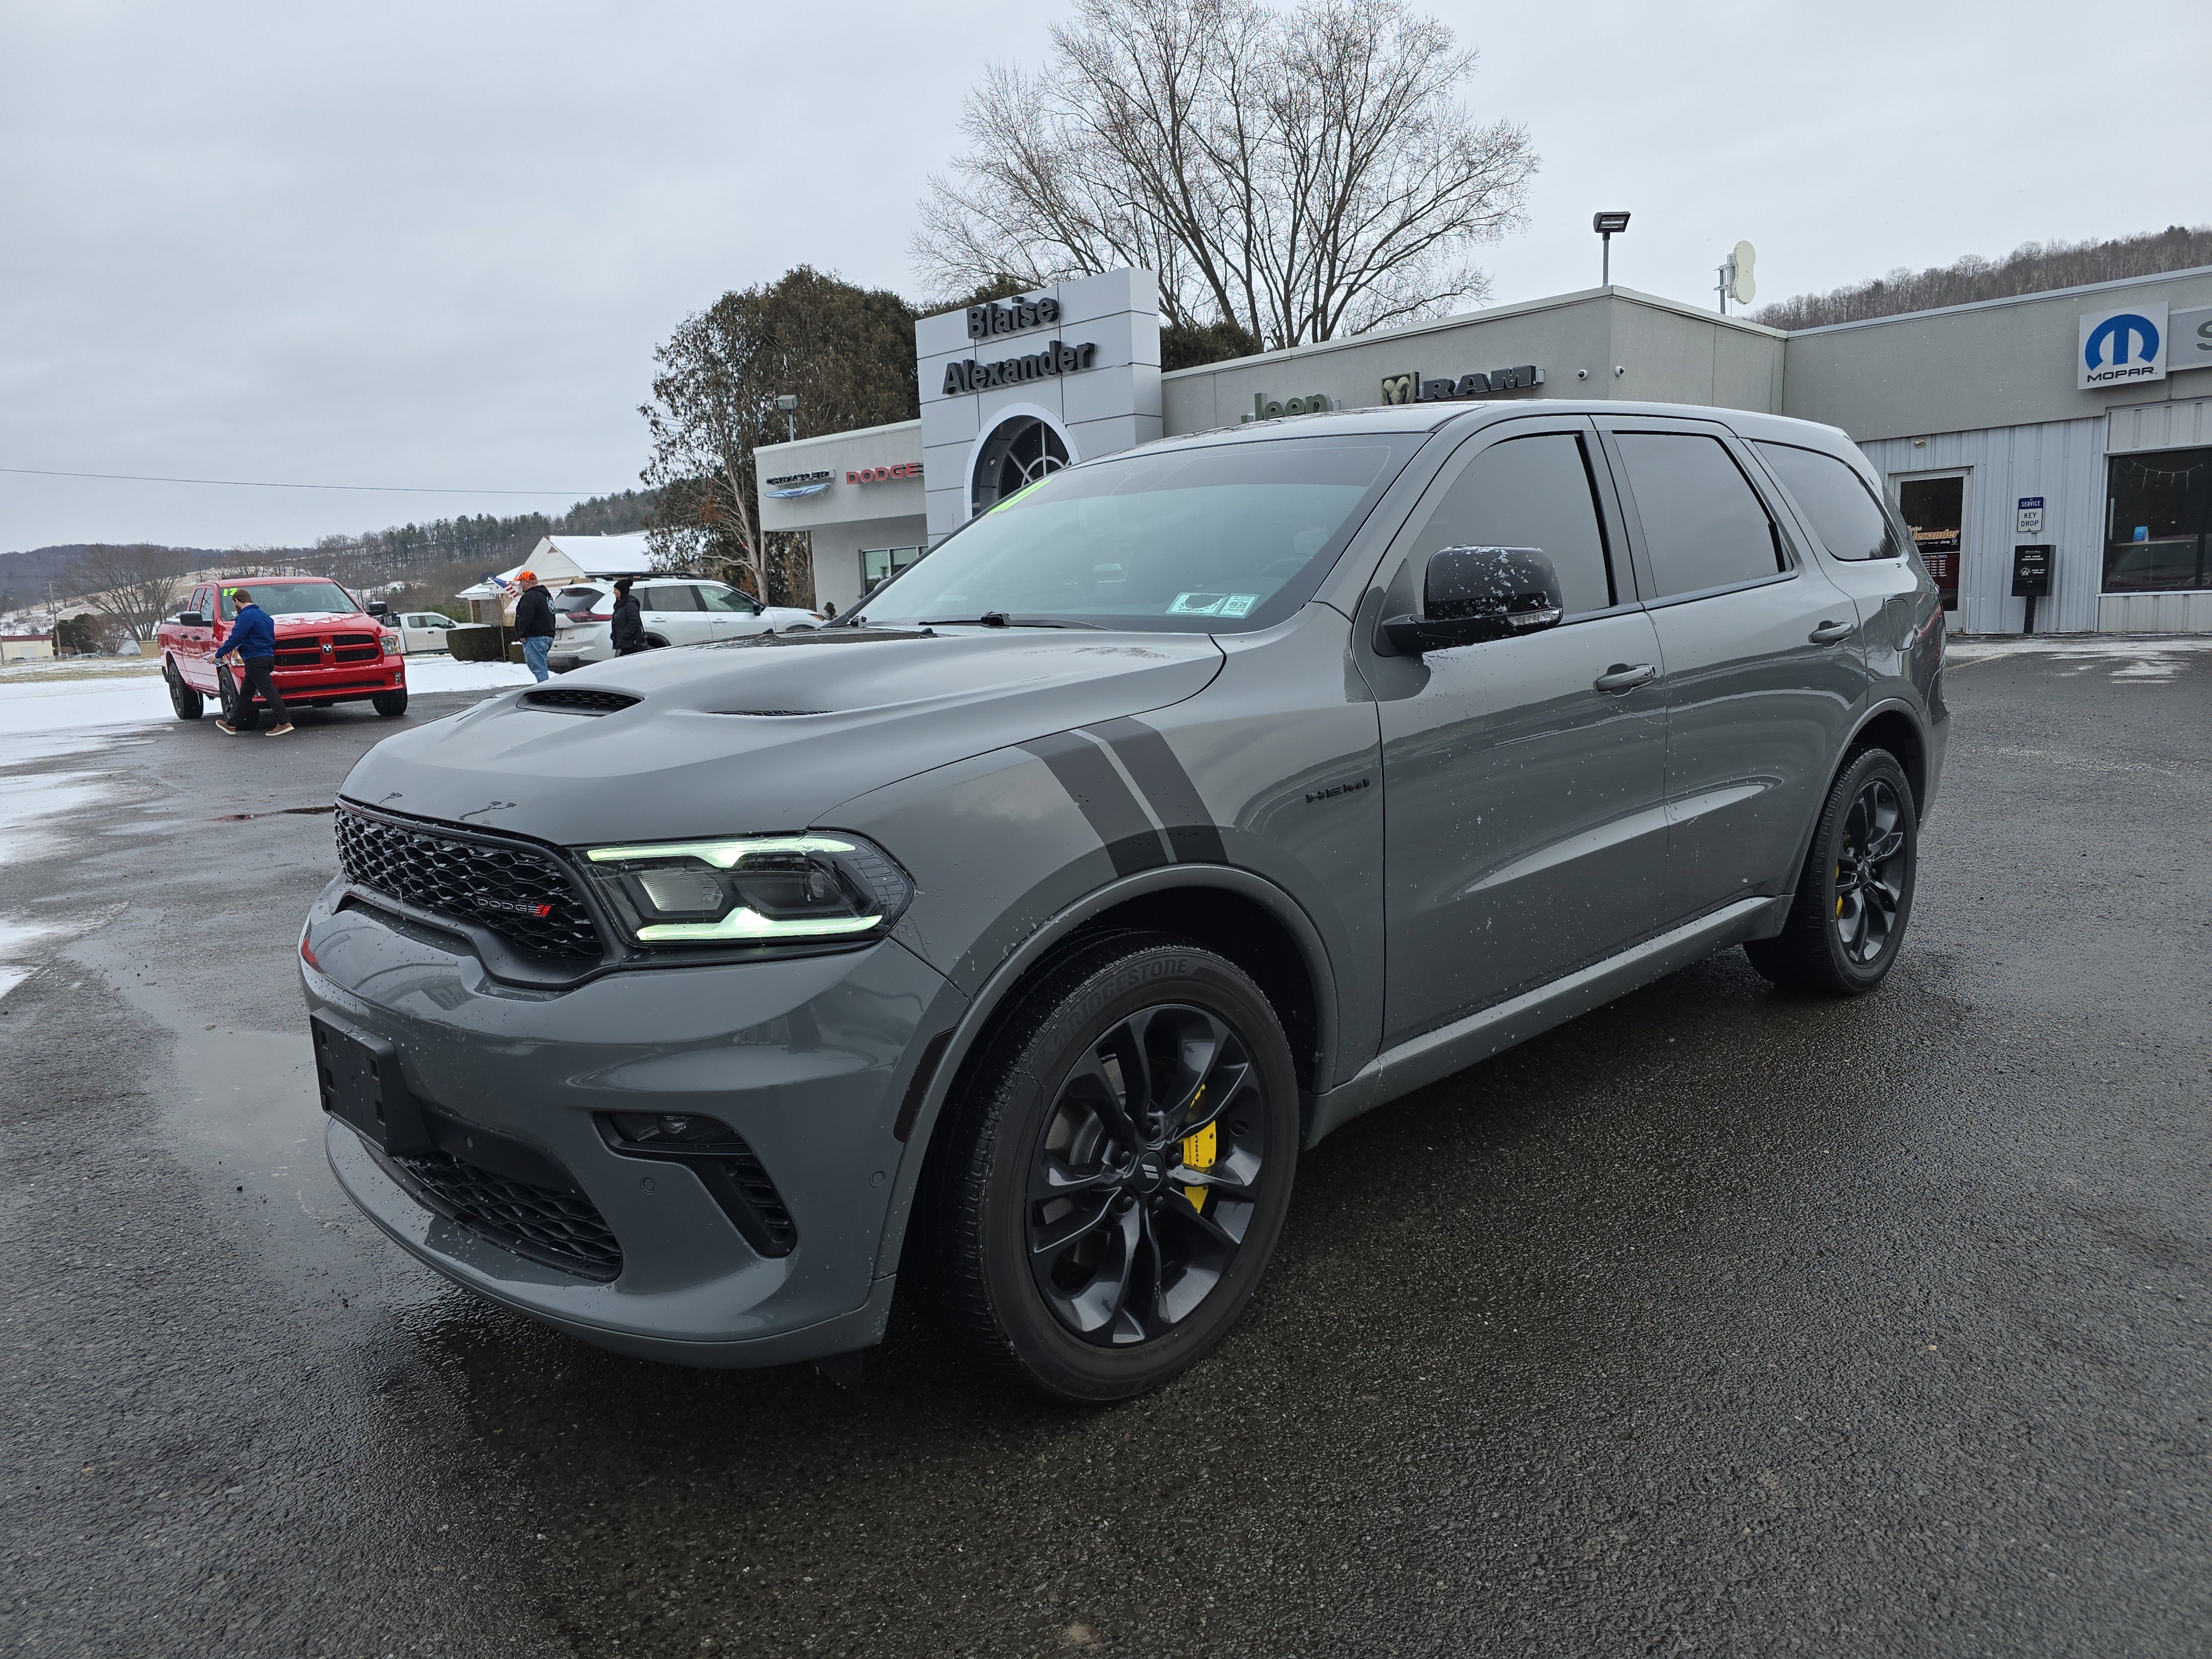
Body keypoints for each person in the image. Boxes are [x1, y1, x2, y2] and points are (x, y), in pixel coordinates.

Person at [213, 588, 293, 737]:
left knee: (268, 691)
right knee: (246, 693)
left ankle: (284, 722)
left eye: (234, 603)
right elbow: (270, 638)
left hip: (255, 659)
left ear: (237, 601)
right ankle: (232, 724)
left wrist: (219, 654)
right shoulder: (265, 617)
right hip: (267, 657)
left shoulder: (245, 617)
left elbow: (236, 638)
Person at [512, 570, 556, 681]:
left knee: (539, 670)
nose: (520, 585)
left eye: (521, 582)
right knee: (541, 667)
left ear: (527, 582)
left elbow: (526, 617)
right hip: (547, 636)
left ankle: (544, 690)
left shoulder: (530, 597)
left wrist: (523, 634)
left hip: (535, 638)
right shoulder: (545, 596)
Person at [609, 577, 645, 656]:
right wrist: (615, 635)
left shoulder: (631, 604)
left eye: (615, 590)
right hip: (623, 644)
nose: (614, 592)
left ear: (622, 591)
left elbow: (634, 623)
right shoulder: (620, 605)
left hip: (631, 645)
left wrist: (624, 635)